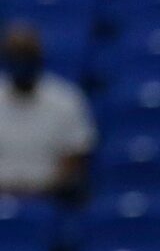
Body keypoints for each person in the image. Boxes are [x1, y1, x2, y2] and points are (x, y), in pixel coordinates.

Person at [0, 20, 94, 196]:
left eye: (26, 54)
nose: (21, 61)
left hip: (49, 198)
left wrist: (39, 190)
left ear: (39, 55)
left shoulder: (67, 99)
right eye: (14, 54)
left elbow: (75, 156)